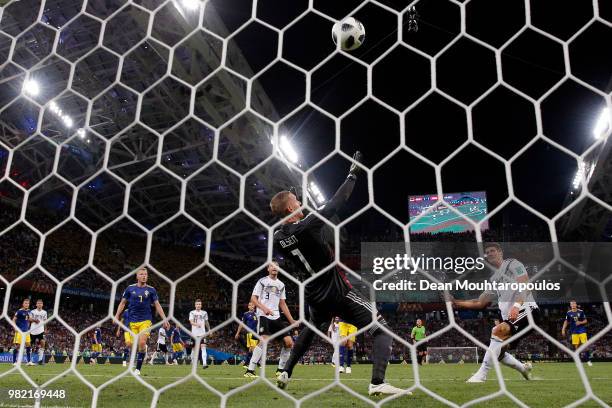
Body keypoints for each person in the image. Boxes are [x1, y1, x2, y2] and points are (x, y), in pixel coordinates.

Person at [270, 152, 405, 396]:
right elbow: (337, 201)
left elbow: (290, 226)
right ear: (291, 207)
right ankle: (377, 382)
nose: (300, 202)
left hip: (312, 291)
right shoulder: (307, 225)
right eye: (296, 200)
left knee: (311, 329)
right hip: (335, 288)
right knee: (381, 329)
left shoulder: (278, 238)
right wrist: (352, 175)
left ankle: (285, 371)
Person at [451, 243, 536, 383]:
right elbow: (480, 302)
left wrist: (516, 306)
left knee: (497, 330)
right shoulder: (494, 279)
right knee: (499, 352)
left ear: (500, 252)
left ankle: (481, 374)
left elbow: (525, 285)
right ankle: (523, 368)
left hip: (527, 311)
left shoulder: (513, 264)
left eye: (492, 251)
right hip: (511, 318)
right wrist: (456, 302)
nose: (489, 253)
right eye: (487, 252)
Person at [114, 267, 170, 375]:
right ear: (137, 276)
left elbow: (157, 305)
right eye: (141, 274)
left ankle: (138, 369)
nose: (144, 276)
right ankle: (138, 357)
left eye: (145, 274)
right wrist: (116, 315)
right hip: (132, 321)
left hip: (146, 320)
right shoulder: (130, 289)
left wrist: (165, 318)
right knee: (134, 345)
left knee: (142, 342)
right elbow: (122, 303)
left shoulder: (151, 290)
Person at [244, 261, 296, 378]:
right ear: (268, 269)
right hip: (263, 315)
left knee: (289, 342)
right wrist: (264, 308)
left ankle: (280, 369)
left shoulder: (281, 285)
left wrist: (291, 320)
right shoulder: (262, 281)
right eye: (272, 266)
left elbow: (282, 303)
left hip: (276, 317)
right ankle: (250, 370)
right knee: (264, 340)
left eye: (277, 266)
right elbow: (253, 298)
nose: (274, 268)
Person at [562, 300, 592, 366]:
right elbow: (566, 321)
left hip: (582, 330)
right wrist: (563, 329)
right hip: (574, 331)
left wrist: (580, 322)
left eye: (573, 304)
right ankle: (579, 361)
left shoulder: (581, 312)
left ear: (576, 304)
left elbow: (585, 320)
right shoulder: (568, 313)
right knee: (576, 347)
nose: (572, 305)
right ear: (570, 305)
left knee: (585, 346)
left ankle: (588, 360)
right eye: (571, 304)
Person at [235, 302, 258, 367]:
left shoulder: (257, 314)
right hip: (250, 333)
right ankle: (257, 363)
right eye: (250, 305)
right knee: (254, 349)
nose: (252, 306)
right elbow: (241, 324)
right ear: (248, 307)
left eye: (253, 305)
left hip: (256, 334)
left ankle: (246, 363)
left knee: (251, 349)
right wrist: (237, 333)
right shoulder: (246, 314)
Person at [189, 299, 211, 369]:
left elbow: (207, 322)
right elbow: (191, 322)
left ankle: (204, 363)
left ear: (201, 305)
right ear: (195, 305)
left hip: (202, 334)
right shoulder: (192, 313)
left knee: (203, 347)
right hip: (194, 334)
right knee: (194, 349)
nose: (198, 305)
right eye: (197, 304)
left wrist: (209, 330)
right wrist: (196, 324)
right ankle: (192, 362)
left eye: (199, 304)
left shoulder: (204, 313)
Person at [12, 298, 32, 366]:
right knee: (18, 346)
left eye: (28, 303)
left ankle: (29, 361)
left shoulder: (29, 311)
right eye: (25, 303)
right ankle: (14, 362)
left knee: (28, 345)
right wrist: (15, 327)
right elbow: (13, 320)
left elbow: (28, 320)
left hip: (26, 332)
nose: (27, 304)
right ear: (23, 304)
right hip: (19, 331)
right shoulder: (19, 311)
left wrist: (28, 327)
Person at [29, 299, 47, 365]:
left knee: (43, 342)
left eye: (41, 303)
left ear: (42, 305)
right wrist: (34, 320)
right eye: (38, 303)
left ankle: (40, 360)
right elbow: (29, 319)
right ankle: (29, 360)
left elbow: (45, 321)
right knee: (31, 345)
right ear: (36, 304)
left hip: (40, 330)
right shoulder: (32, 311)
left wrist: (45, 329)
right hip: (33, 330)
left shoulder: (44, 312)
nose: (39, 304)